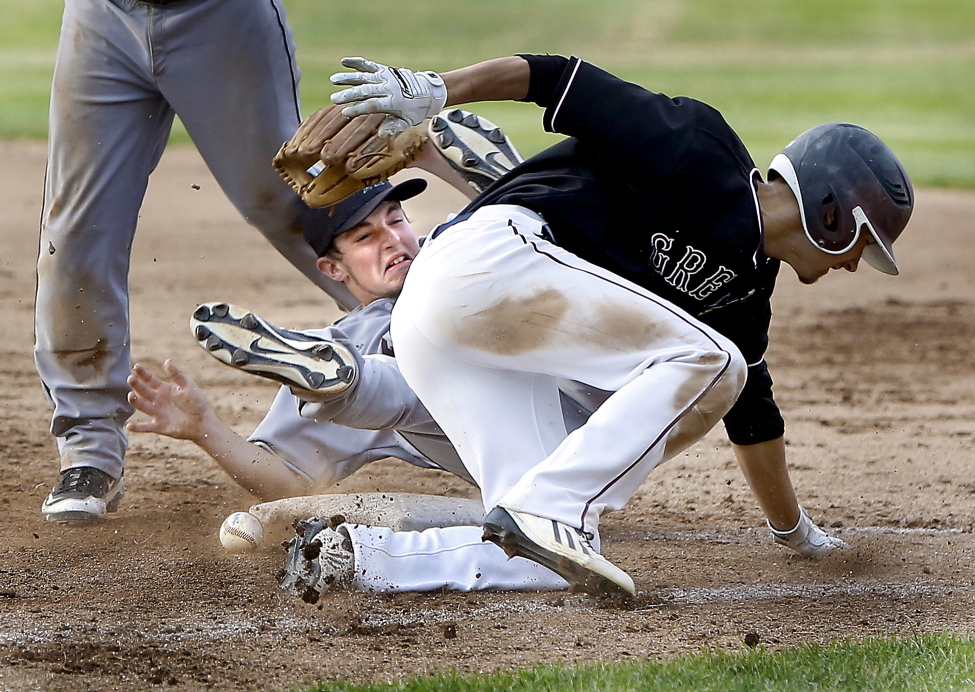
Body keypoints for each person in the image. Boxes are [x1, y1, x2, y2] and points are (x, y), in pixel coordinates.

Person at [312, 53, 916, 596]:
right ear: (831, 215)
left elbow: (753, 415)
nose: (852, 264)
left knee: (534, 556)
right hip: (480, 265)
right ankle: (554, 506)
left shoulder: (748, 289)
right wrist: (439, 89)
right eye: (861, 244)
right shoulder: (700, 150)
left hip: (465, 340)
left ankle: (348, 559)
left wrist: (795, 533)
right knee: (711, 362)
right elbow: (554, 78)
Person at [128, 114, 580, 596]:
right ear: (332, 269)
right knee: (415, 373)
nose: (392, 239)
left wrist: (432, 156)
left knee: (514, 245)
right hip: (527, 446)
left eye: (397, 220)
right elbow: (290, 482)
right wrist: (205, 429)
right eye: (365, 237)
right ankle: (356, 385)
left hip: (593, 380)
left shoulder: (453, 250)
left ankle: (502, 189)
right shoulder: (346, 343)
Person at [36, 0, 364, 523]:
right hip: (102, 17)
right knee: (77, 231)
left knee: (293, 203)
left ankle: (425, 352)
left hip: (220, 16)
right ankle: (89, 449)